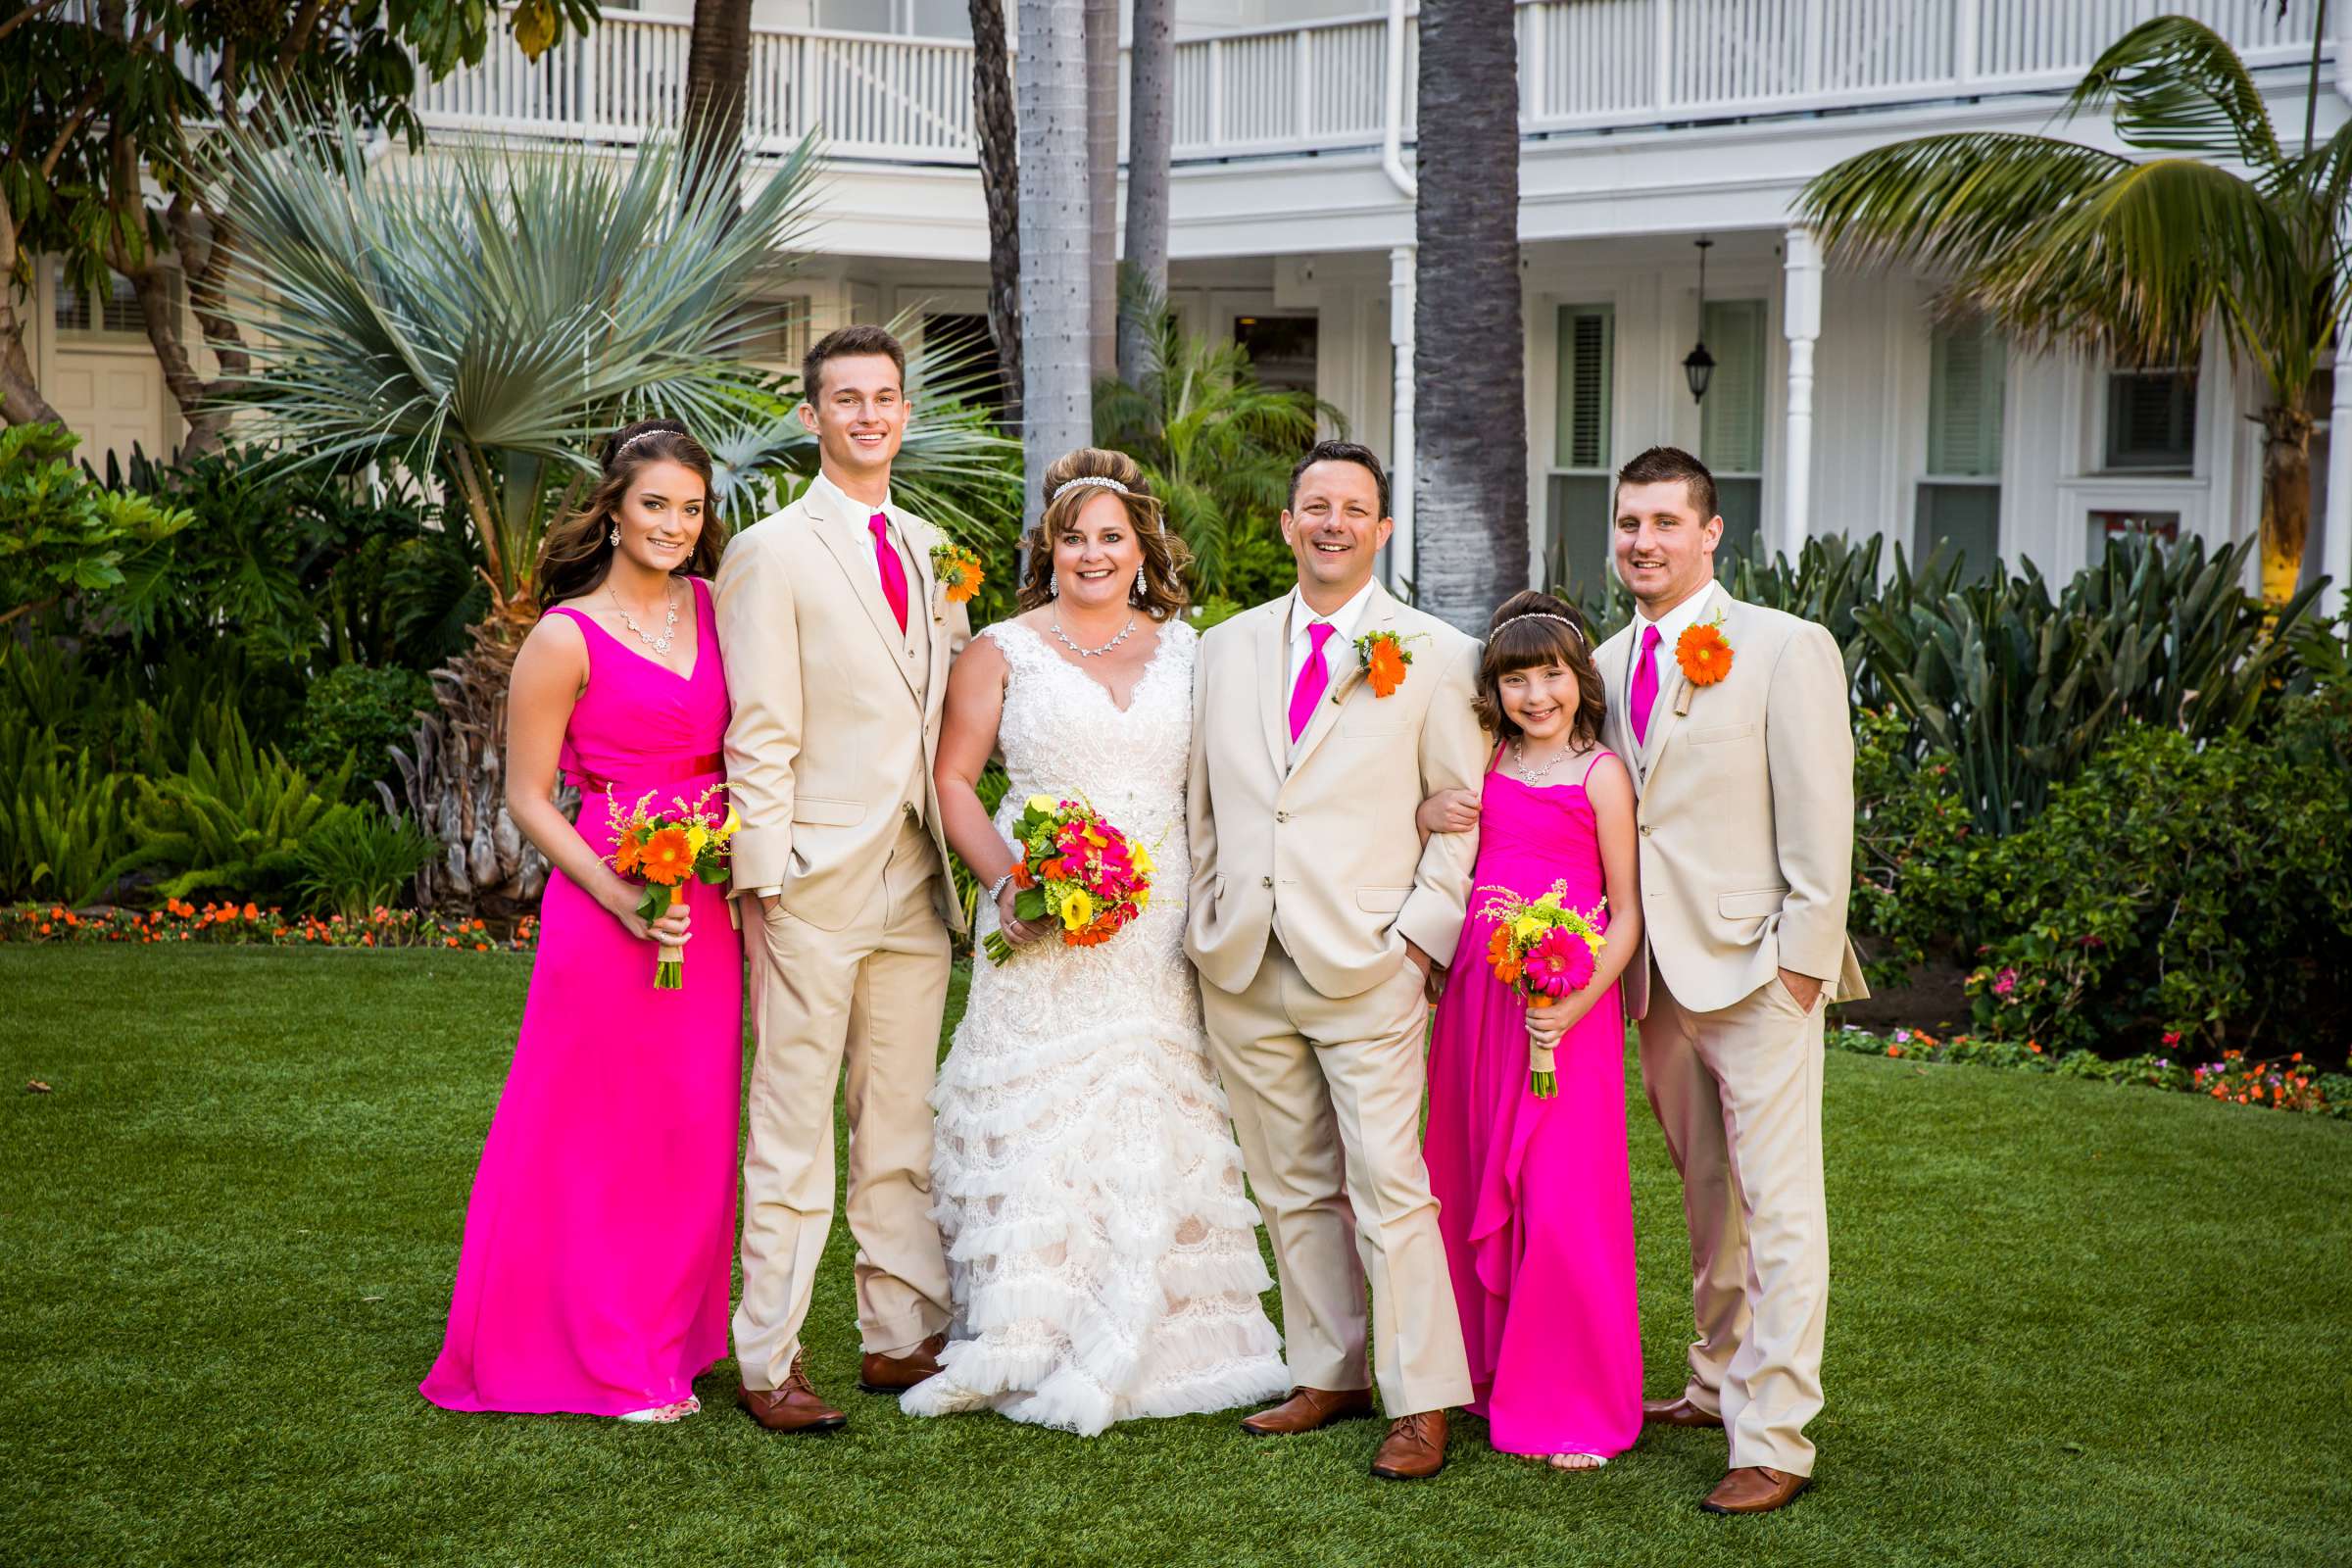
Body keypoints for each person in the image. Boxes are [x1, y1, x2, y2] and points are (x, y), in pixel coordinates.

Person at [901, 447, 1289, 1436]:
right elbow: (954, 782)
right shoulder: (1002, 649)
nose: (1091, 552)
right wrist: (1009, 881)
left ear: (1142, 548)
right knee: (1040, 1115)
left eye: (1111, 536)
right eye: (1074, 537)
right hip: (1039, 914)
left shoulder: (1194, 651)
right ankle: (1031, 1321)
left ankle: (1169, 1336)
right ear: (1049, 547)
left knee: (1154, 1108)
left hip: (1158, 924)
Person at [421, 418, 740, 1423]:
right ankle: (600, 1357)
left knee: (690, 1123)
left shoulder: (721, 609)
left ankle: (670, 1339)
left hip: (711, 896)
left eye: (691, 509)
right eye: (655, 504)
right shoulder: (564, 634)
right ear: (611, 510)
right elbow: (528, 796)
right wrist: (617, 893)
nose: (674, 525)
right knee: (596, 1125)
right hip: (608, 899)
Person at [1185, 440, 1486, 1481]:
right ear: (1286, 523)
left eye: (1354, 509)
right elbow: (1209, 806)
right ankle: (1330, 1368)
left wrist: (1419, 936)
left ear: (1383, 529)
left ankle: (1422, 1396)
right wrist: (1208, 916)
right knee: (1291, 1181)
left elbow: (1464, 812)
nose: (1332, 524)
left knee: (1389, 1181)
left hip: (1369, 959)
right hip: (1244, 956)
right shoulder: (1222, 649)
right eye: (1315, 506)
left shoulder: (1439, 653)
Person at [1594, 445, 1867, 1515]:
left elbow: (1819, 814)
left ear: (1711, 533)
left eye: (1666, 522)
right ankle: (1714, 1378)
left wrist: (1802, 967)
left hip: (1758, 969)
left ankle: (1777, 1436)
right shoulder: (1607, 662)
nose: (1643, 541)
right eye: (1629, 523)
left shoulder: (1784, 647)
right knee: (1707, 1196)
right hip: (1654, 977)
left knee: (1780, 1202)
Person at [714, 325, 969, 1434]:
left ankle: (898, 1333)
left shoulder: (929, 544)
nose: (869, 414)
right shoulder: (772, 551)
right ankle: (769, 1356)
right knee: (792, 1124)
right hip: (811, 882)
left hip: (920, 881)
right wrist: (760, 890)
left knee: (900, 1117)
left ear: (905, 414)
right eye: (846, 399)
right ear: (812, 418)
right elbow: (757, 734)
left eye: (885, 397)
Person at [1415, 592, 1644, 1472]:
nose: (1535, 693)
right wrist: (1424, 814)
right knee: (1467, 1174)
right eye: (1516, 678)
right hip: (1479, 1003)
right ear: (1497, 690)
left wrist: (1576, 1004)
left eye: (1550, 673)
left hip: (1563, 1010)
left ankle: (1571, 1401)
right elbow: (1443, 837)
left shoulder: (1603, 775)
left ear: (1577, 679)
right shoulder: (1489, 759)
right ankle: (1476, 1369)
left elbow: (1624, 915)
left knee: (1561, 1197)